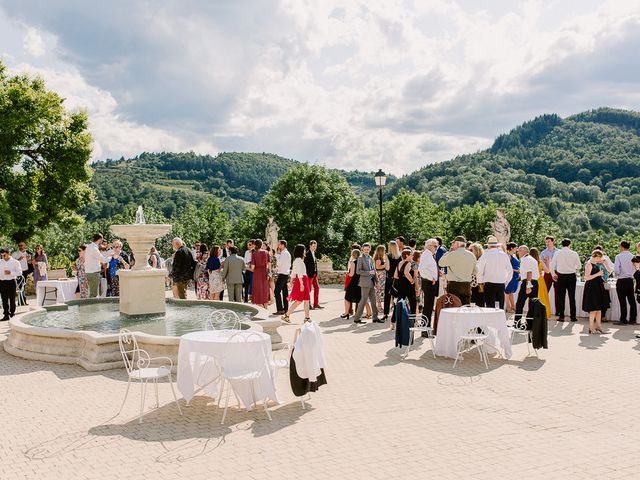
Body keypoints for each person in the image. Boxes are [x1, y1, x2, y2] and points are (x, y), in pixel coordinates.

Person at [439, 236, 477, 305]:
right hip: (466, 285)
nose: (452, 245)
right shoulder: (471, 255)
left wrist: (448, 252)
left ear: (457, 244)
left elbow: (440, 263)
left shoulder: (452, 254)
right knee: (465, 307)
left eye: (453, 244)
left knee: (454, 307)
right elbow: (475, 271)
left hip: (454, 285)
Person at [550, 238, 581, 322]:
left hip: (561, 276)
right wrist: (572, 267)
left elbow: (552, 265)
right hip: (571, 276)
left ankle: (561, 316)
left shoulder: (557, 253)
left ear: (562, 244)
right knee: (572, 297)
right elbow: (579, 266)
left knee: (561, 297)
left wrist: (553, 274)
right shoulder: (574, 253)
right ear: (570, 244)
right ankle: (573, 317)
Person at [476, 236, 512, 309]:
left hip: (489, 285)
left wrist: (480, 285)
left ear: (488, 245)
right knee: (500, 307)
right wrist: (506, 282)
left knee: (490, 307)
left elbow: (479, 272)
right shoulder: (504, 255)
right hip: (501, 284)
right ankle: (500, 320)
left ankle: (490, 320)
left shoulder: (485, 256)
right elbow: (510, 270)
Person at [352, 243, 381, 324]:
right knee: (363, 301)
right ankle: (357, 318)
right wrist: (368, 272)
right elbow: (358, 271)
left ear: (370, 249)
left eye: (367, 249)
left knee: (373, 300)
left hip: (372, 282)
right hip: (364, 283)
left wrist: (377, 281)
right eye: (364, 249)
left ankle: (375, 318)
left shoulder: (371, 258)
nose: (366, 251)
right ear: (362, 249)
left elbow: (374, 270)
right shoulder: (360, 258)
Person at [282, 244, 310, 323]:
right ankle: (287, 315)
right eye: (304, 249)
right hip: (302, 280)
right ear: (301, 251)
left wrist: (291, 281)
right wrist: (301, 284)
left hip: (303, 280)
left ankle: (307, 318)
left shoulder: (298, 260)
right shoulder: (298, 260)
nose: (305, 251)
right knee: (299, 300)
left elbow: (294, 272)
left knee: (306, 300)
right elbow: (299, 273)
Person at [583, 250, 609, 334]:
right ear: (596, 256)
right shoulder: (589, 264)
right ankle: (591, 328)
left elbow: (609, 271)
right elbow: (586, 277)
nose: (600, 260)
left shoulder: (596, 264)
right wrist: (598, 274)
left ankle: (599, 327)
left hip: (597, 287)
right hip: (591, 288)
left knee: (599, 309)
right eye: (599, 258)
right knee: (593, 309)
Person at [614, 240, 637, 325]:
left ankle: (623, 319)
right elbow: (636, 269)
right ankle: (633, 319)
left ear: (622, 246)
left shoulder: (618, 256)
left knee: (622, 301)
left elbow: (616, 270)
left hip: (621, 280)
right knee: (632, 301)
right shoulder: (633, 256)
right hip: (630, 280)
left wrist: (618, 274)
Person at [514, 245, 540, 324]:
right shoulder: (531, 259)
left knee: (519, 304)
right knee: (532, 305)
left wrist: (528, 286)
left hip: (528, 282)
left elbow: (529, 272)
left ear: (523, 251)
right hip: (534, 282)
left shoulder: (526, 259)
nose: (518, 252)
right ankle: (529, 323)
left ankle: (517, 323)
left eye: (519, 251)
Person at [419, 239, 439, 326]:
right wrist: (432, 278)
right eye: (435, 246)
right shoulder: (427, 255)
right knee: (428, 306)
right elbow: (422, 269)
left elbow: (428, 268)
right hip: (429, 283)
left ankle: (426, 327)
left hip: (430, 282)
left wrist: (437, 273)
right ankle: (425, 328)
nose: (436, 248)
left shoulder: (428, 254)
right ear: (429, 246)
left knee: (429, 306)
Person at [85, 233, 111, 298]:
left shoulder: (89, 246)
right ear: (100, 239)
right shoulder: (94, 248)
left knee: (92, 293)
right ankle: (93, 308)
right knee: (94, 295)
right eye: (102, 240)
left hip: (89, 273)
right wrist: (111, 256)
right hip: (94, 273)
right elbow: (104, 260)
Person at [0, 248, 22, 320]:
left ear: (8, 253)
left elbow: (20, 272)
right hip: (2, 282)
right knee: (4, 299)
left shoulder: (15, 262)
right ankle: (6, 315)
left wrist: (11, 273)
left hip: (11, 282)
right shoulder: (0, 262)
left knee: (12, 299)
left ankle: (12, 314)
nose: (3, 257)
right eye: (2, 255)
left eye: (4, 255)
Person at [394, 248, 417, 315]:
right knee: (413, 302)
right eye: (411, 255)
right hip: (408, 285)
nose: (412, 256)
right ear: (407, 255)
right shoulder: (409, 263)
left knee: (399, 303)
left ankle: (394, 320)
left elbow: (395, 275)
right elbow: (406, 273)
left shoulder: (399, 263)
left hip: (400, 285)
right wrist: (412, 280)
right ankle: (413, 320)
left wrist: (401, 278)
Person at [540, 236, 558, 314]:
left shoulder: (558, 252)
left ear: (553, 242)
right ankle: (543, 309)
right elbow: (540, 263)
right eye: (546, 242)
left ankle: (558, 311)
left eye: (549, 241)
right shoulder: (543, 252)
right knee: (545, 291)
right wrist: (543, 260)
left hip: (556, 272)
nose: (547, 243)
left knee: (558, 292)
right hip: (547, 273)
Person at [531, 248, 551, 319]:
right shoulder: (541, 262)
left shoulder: (530, 262)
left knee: (533, 297)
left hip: (532, 280)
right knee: (542, 297)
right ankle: (543, 313)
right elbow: (548, 271)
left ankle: (532, 313)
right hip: (540, 280)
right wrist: (548, 261)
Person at [384, 240, 401, 321]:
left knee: (387, 296)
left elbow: (387, 268)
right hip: (397, 278)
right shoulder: (400, 256)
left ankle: (386, 313)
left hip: (389, 277)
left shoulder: (387, 255)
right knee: (396, 296)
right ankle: (396, 313)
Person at [342, 249, 361, 319]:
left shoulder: (353, 263)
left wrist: (348, 274)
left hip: (353, 282)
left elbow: (351, 274)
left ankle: (346, 313)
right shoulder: (361, 262)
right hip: (360, 282)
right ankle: (358, 314)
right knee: (358, 299)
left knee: (347, 298)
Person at [250, 239, 269, 308]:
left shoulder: (254, 253)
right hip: (265, 272)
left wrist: (247, 268)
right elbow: (269, 264)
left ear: (255, 245)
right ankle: (266, 307)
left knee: (257, 290)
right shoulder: (266, 252)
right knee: (264, 289)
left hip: (257, 273)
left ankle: (262, 308)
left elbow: (252, 267)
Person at [274, 240, 291, 315]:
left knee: (276, 291)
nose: (278, 246)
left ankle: (280, 309)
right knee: (285, 292)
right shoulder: (287, 253)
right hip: (286, 273)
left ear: (283, 245)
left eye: (279, 245)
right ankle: (286, 308)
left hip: (282, 274)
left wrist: (277, 255)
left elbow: (279, 263)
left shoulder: (283, 253)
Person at [304, 240, 322, 309]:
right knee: (309, 290)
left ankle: (316, 304)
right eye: (313, 246)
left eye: (315, 246)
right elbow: (305, 265)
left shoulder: (314, 253)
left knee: (317, 288)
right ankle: (308, 304)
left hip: (314, 274)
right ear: (310, 246)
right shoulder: (307, 254)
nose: (315, 248)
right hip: (309, 274)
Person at [504, 242, 520, 313]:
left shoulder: (513, 255)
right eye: (515, 248)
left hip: (515, 275)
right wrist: (515, 270)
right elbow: (507, 266)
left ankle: (513, 306)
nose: (516, 249)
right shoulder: (508, 256)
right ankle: (508, 307)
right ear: (511, 248)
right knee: (507, 291)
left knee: (511, 292)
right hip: (511, 275)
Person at [468, 243, 485, 307]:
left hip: (480, 284)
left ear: (477, 250)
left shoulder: (482, 259)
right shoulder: (471, 259)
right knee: (472, 301)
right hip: (472, 284)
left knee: (480, 300)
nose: (469, 252)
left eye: (471, 250)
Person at [373, 245, 387, 316]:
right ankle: (379, 306)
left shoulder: (380, 258)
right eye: (384, 250)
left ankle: (380, 306)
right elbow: (377, 267)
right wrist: (385, 265)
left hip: (382, 277)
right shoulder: (378, 259)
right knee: (379, 291)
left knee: (381, 291)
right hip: (380, 277)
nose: (385, 251)